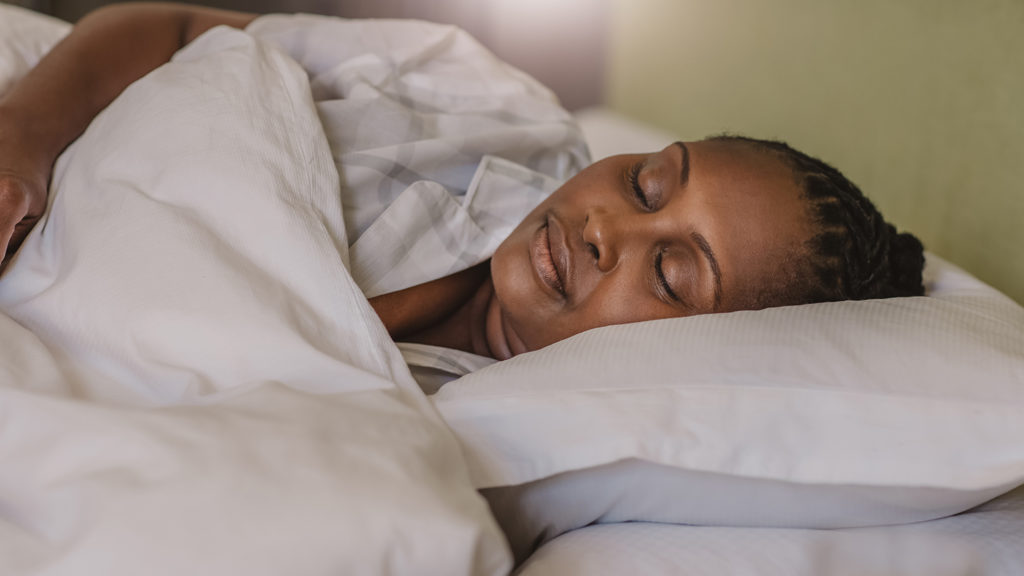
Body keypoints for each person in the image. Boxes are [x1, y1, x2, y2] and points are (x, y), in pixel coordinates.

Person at [0, 3, 925, 367]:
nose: (608, 227)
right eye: (648, 185)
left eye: (674, 275)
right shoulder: (491, 103)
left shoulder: (488, 435)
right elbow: (168, 27)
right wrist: (20, 146)